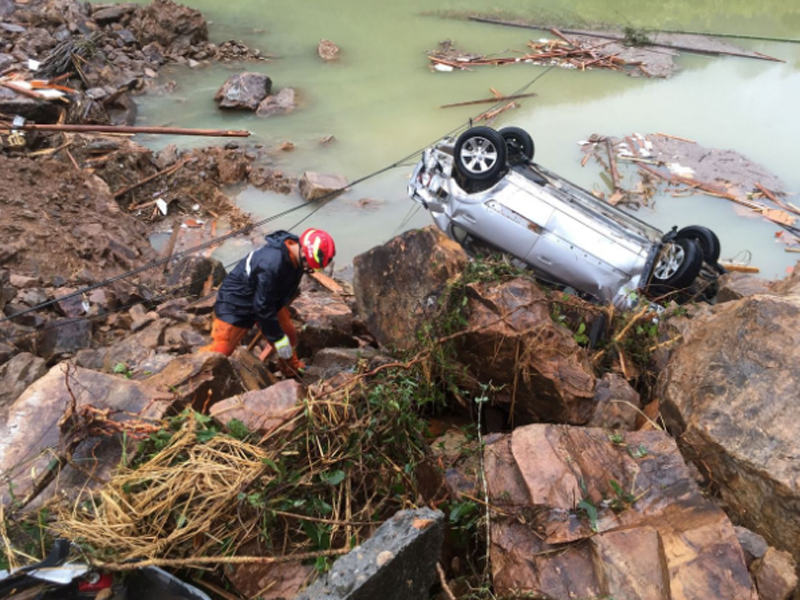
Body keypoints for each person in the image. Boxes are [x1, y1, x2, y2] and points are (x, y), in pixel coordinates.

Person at [199, 228, 336, 375]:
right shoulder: (272, 264)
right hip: (236, 302)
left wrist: (281, 337)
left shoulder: (295, 252)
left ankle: (290, 367)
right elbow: (263, 309)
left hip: (267, 298)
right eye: (308, 265)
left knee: (288, 334)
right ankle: (191, 372)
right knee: (221, 351)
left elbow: (269, 300)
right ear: (303, 253)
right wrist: (277, 339)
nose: (308, 269)